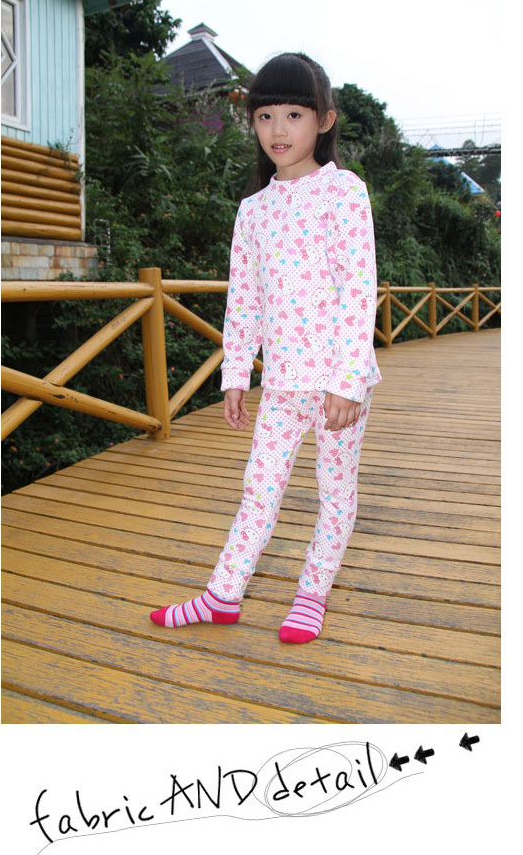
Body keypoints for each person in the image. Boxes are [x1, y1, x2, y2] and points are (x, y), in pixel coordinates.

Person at [150, 52, 382, 643]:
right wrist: (235, 372)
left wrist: (347, 381)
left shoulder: (344, 192)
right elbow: (245, 297)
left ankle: (312, 594)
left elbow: (359, 289)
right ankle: (223, 594)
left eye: (294, 115)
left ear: (324, 120)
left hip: (337, 385)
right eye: (265, 115)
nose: (278, 129)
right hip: (280, 383)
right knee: (260, 488)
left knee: (335, 491)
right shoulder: (253, 210)